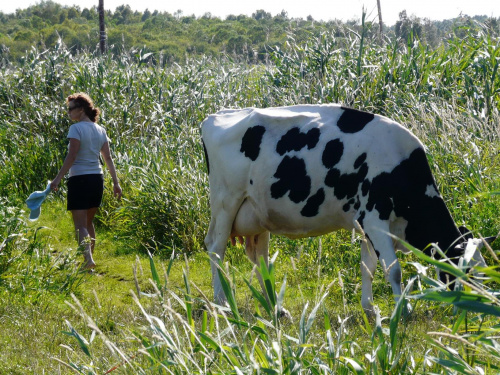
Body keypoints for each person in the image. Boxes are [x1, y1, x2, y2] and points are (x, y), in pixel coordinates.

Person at [51, 93, 122, 269]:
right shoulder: (100, 130)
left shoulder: (76, 129)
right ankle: (88, 259)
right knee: (88, 223)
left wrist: (57, 179)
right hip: (97, 179)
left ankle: (88, 260)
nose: (68, 113)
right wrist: (115, 183)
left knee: (80, 225)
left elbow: (72, 155)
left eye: (70, 109)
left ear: (81, 109)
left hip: (80, 179)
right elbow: (108, 158)